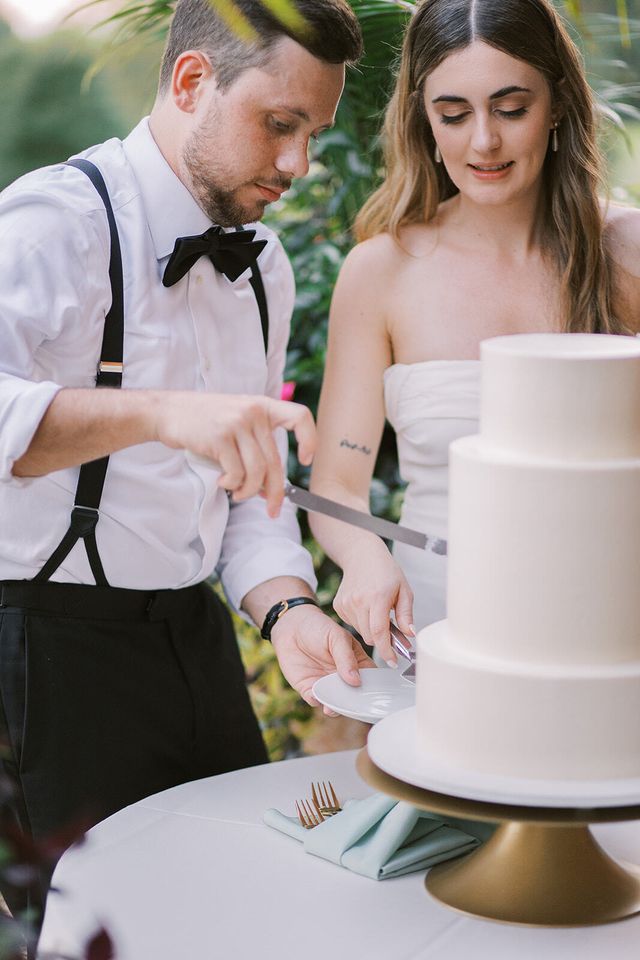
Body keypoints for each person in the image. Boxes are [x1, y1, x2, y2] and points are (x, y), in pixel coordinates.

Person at [0, 0, 374, 930]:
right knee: (90, 935)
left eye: (313, 134)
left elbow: (251, 494)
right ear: (191, 81)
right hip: (47, 659)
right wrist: (162, 412)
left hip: (196, 647)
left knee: (238, 912)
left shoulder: (265, 266)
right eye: (278, 124)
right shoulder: (56, 223)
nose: (296, 164)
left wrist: (287, 606)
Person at [308, 0, 640, 665]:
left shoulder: (626, 249)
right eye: (453, 115)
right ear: (424, 122)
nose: (482, 141)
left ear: (558, 107)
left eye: (511, 108)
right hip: (436, 636)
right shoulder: (381, 272)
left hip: (610, 635)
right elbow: (337, 485)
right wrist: (366, 556)